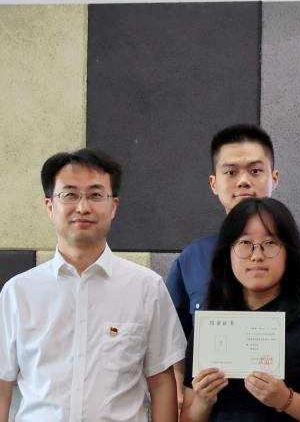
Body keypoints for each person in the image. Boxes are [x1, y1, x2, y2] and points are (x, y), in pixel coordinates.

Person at [0, 149, 185, 421]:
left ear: (113, 207)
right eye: (70, 195)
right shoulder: (18, 293)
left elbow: (161, 383)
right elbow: (3, 384)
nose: (83, 207)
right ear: (50, 206)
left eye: (96, 195)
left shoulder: (147, 288)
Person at [166, 124, 300, 337]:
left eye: (255, 171)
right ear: (214, 183)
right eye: (231, 172)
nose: (243, 181)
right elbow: (172, 343)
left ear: (274, 178)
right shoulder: (191, 259)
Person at [182, 197, 300, 421]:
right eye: (245, 243)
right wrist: (202, 402)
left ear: (289, 252)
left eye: (270, 243)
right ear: (228, 252)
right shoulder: (210, 327)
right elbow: (187, 416)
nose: (257, 255)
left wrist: (287, 400)